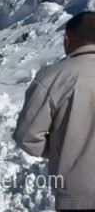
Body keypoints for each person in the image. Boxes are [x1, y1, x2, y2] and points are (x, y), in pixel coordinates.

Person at [14, 11, 95, 212]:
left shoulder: (52, 78)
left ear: (67, 40)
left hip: (76, 196)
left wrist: (61, 149)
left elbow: (27, 136)